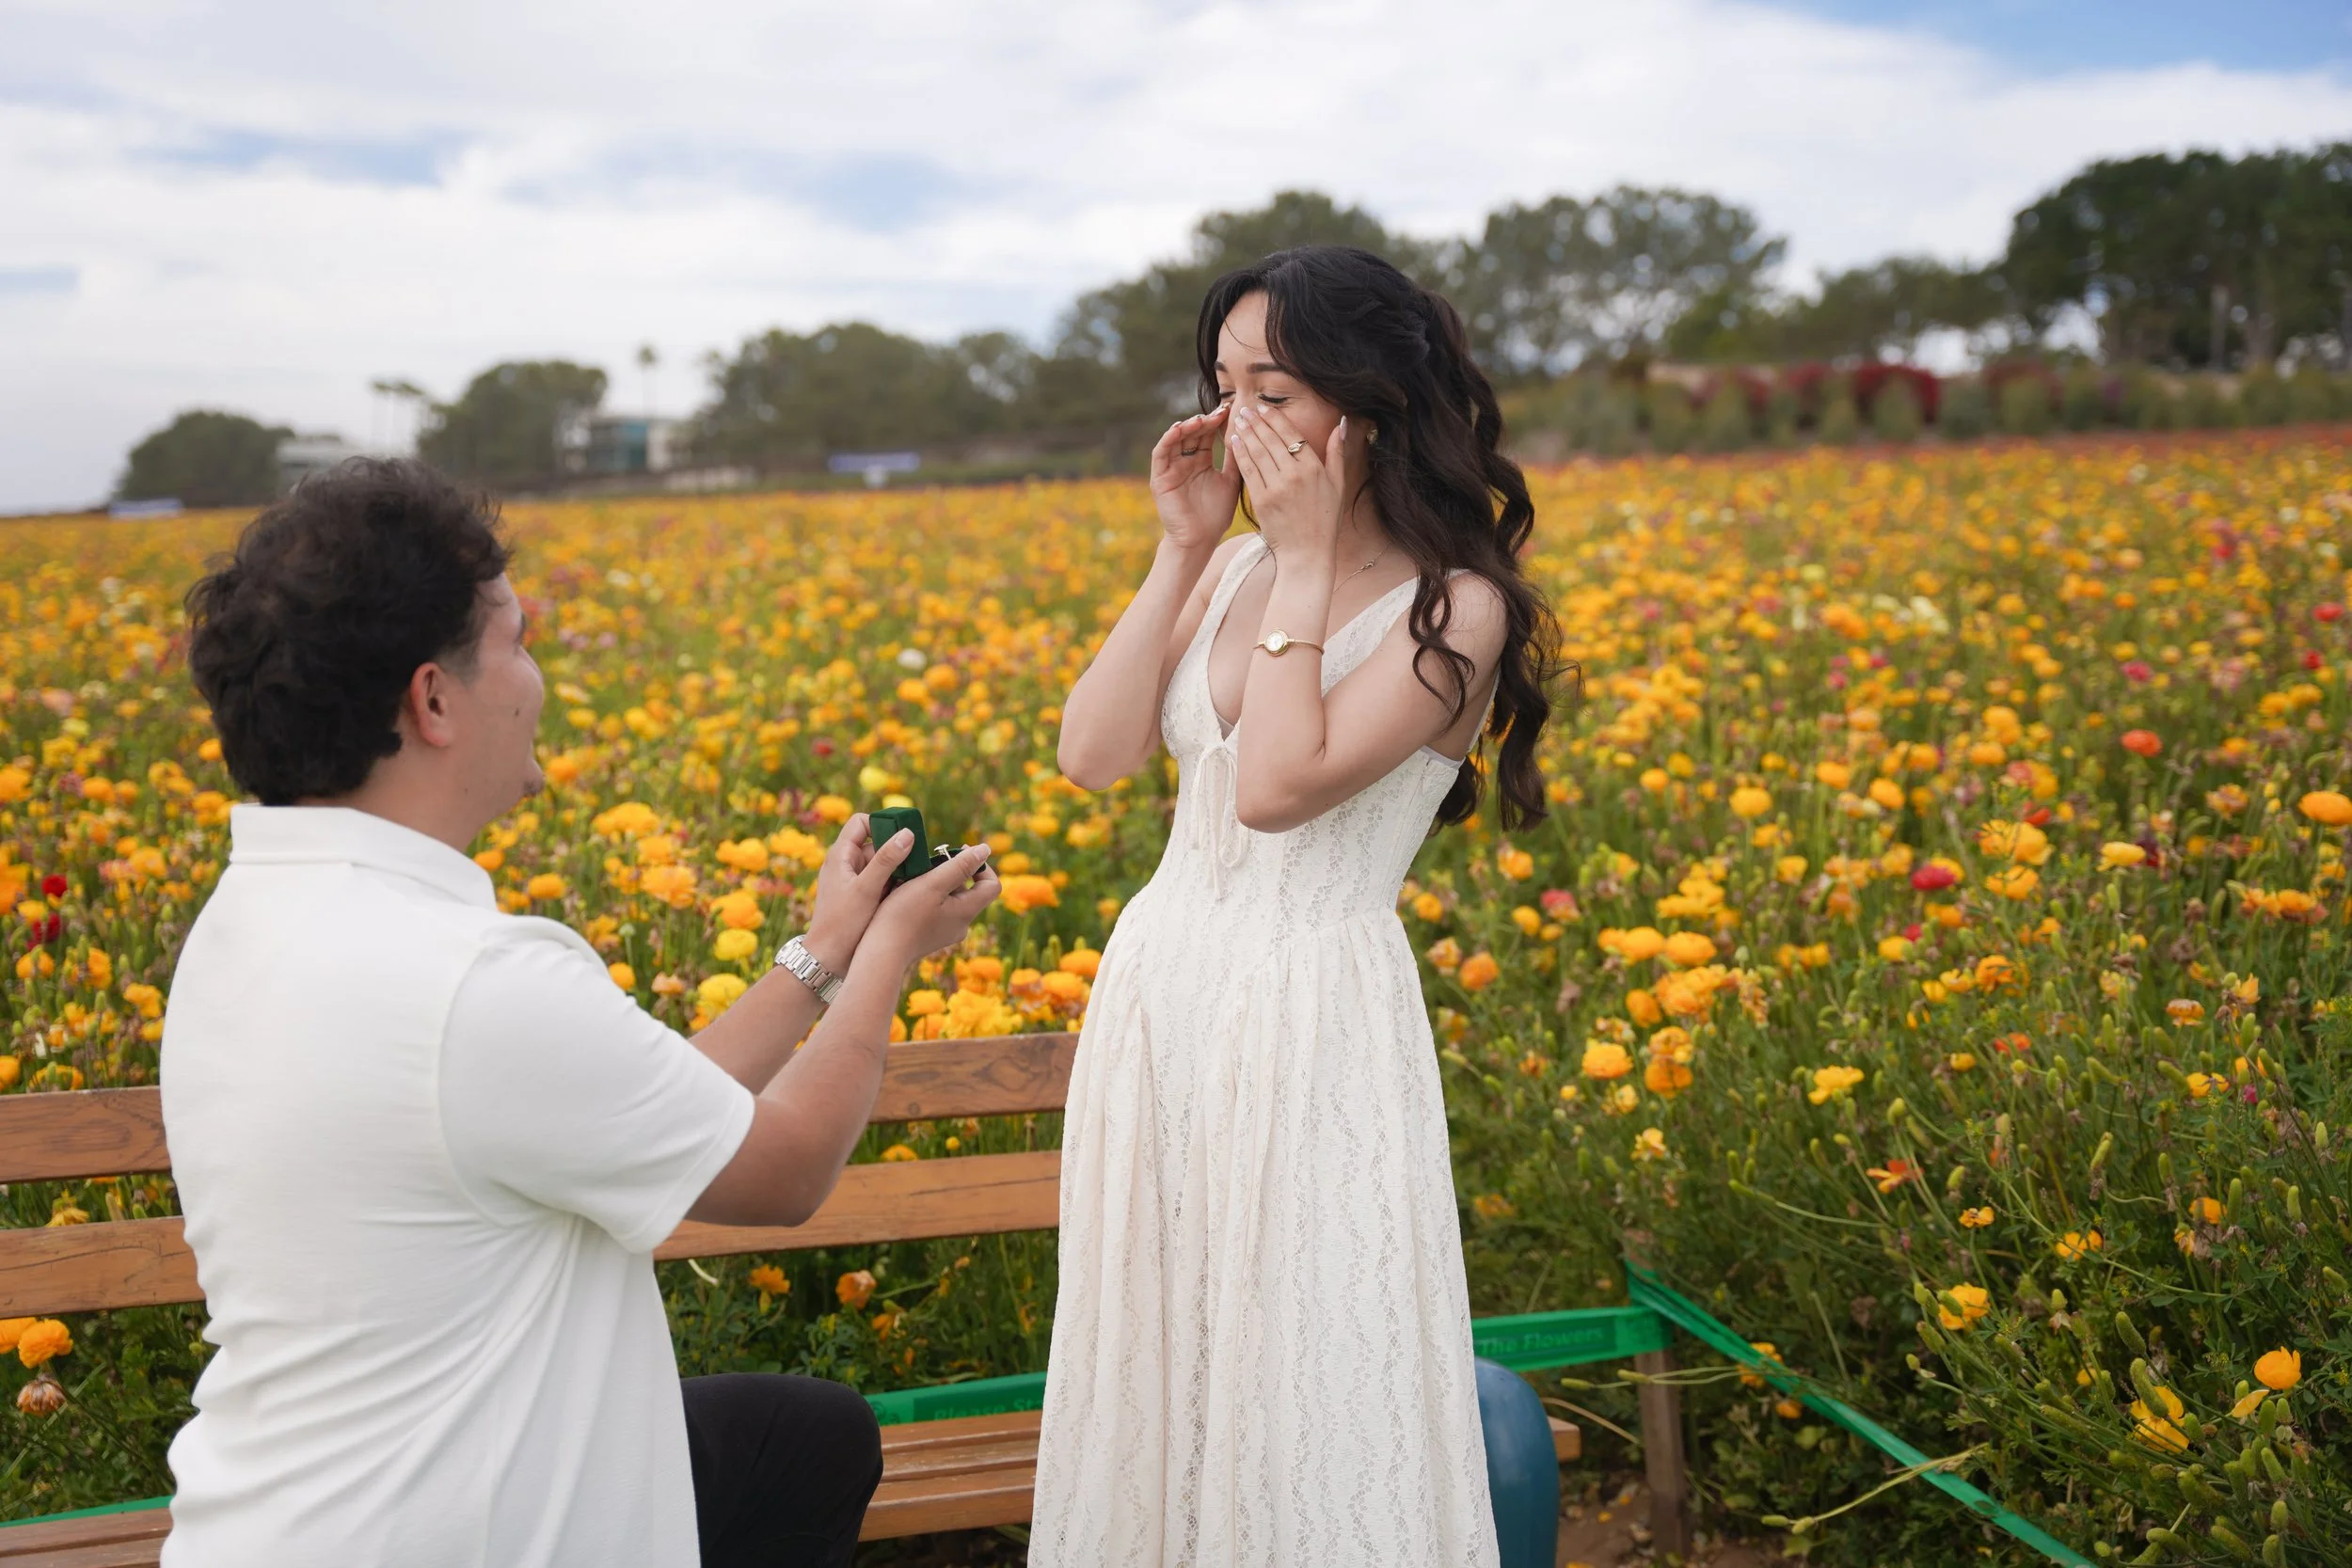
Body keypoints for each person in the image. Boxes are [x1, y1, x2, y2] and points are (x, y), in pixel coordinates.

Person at [161, 458, 997, 1568]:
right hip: (451, 1531)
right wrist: (891, 952)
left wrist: (825, 950)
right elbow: (784, 1168)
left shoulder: (255, 916)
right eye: (515, 641)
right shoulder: (470, 978)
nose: (537, 677)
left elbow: (638, 1100)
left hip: (280, 1510)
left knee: (796, 1433)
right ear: (433, 698)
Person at [1034, 245, 1566, 1566]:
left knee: (1306, 1354)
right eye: (1223, 386)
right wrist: (1184, 549)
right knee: (1157, 1347)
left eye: (1273, 389)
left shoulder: (1462, 610)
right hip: (1166, 989)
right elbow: (1090, 753)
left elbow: (1276, 786)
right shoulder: (1227, 573)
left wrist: (1314, 563)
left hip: (1314, 1008)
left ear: (1367, 406)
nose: (1237, 423)